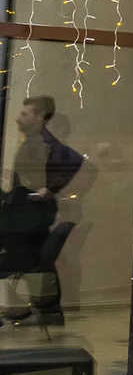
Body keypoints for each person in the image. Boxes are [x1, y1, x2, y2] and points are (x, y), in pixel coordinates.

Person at [0, 96, 84, 273]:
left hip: (27, 221)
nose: (18, 119)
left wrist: (51, 189)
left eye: (25, 114)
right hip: (23, 218)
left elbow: (74, 159)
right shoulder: (31, 141)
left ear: (39, 117)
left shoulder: (42, 142)